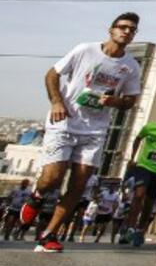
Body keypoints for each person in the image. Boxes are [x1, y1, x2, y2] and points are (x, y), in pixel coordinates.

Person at [20, 13, 143, 253]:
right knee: (53, 178)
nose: (127, 32)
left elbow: (129, 101)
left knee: (79, 184)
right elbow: (52, 74)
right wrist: (57, 102)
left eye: (132, 30)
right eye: (123, 27)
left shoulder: (131, 66)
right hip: (65, 121)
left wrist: (114, 102)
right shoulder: (85, 50)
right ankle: (37, 195)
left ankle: (49, 235)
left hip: (95, 129)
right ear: (111, 30)